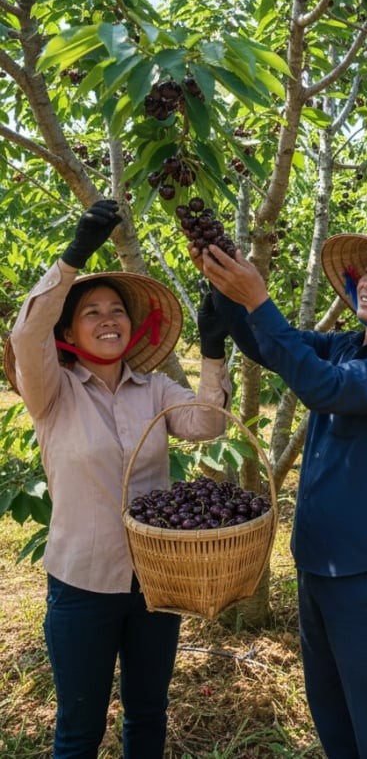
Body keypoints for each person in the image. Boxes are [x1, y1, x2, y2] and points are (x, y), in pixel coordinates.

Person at [192, 233, 367, 759]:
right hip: (318, 560)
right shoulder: (345, 345)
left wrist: (257, 298)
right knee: (331, 706)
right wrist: (226, 289)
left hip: (366, 571)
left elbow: (323, 388)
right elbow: (271, 347)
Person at [4, 199, 232, 759]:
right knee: (78, 731)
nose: (108, 318)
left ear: (134, 326)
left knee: (147, 716)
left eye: (117, 311)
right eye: (92, 312)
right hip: (82, 584)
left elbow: (204, 422)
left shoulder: (154, 389)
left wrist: (211, 350)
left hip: (156, 583)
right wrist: (75, 256)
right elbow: (25, 336)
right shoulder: (52, 392)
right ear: (70, 331)